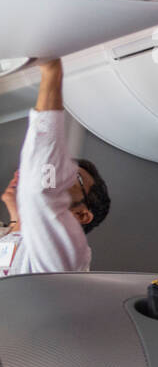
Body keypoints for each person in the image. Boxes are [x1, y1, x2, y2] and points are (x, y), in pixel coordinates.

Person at [1, 58, 111, 277]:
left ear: (81, 215)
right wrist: (17, 220)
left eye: (69, 176)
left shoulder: (65, 259)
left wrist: (51, 70)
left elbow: (42, 194)